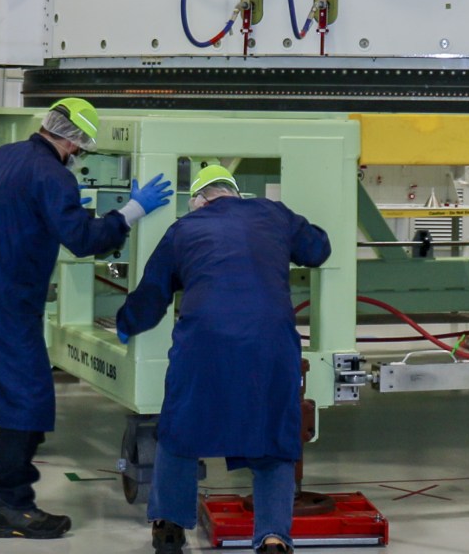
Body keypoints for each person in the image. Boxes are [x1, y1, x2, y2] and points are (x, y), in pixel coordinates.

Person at [0, 100, 173, 537]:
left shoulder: (5, 157)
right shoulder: (52, 176)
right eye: (84, 149)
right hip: (2, 305)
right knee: (28, 400)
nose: (81, 157)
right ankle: (13, 508)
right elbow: (82, 239)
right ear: (74, 143)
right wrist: (132, 210)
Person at [118, 163, 332, 554]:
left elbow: (153, 292)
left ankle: (168, 528)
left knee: (180, 428)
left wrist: (125, 322)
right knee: (273, 435)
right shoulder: (274, 213)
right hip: (270, 343)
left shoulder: (184, 229)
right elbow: (318, 249)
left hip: (205, 343)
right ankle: (271, 538)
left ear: (198, 201)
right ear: (235, 194)